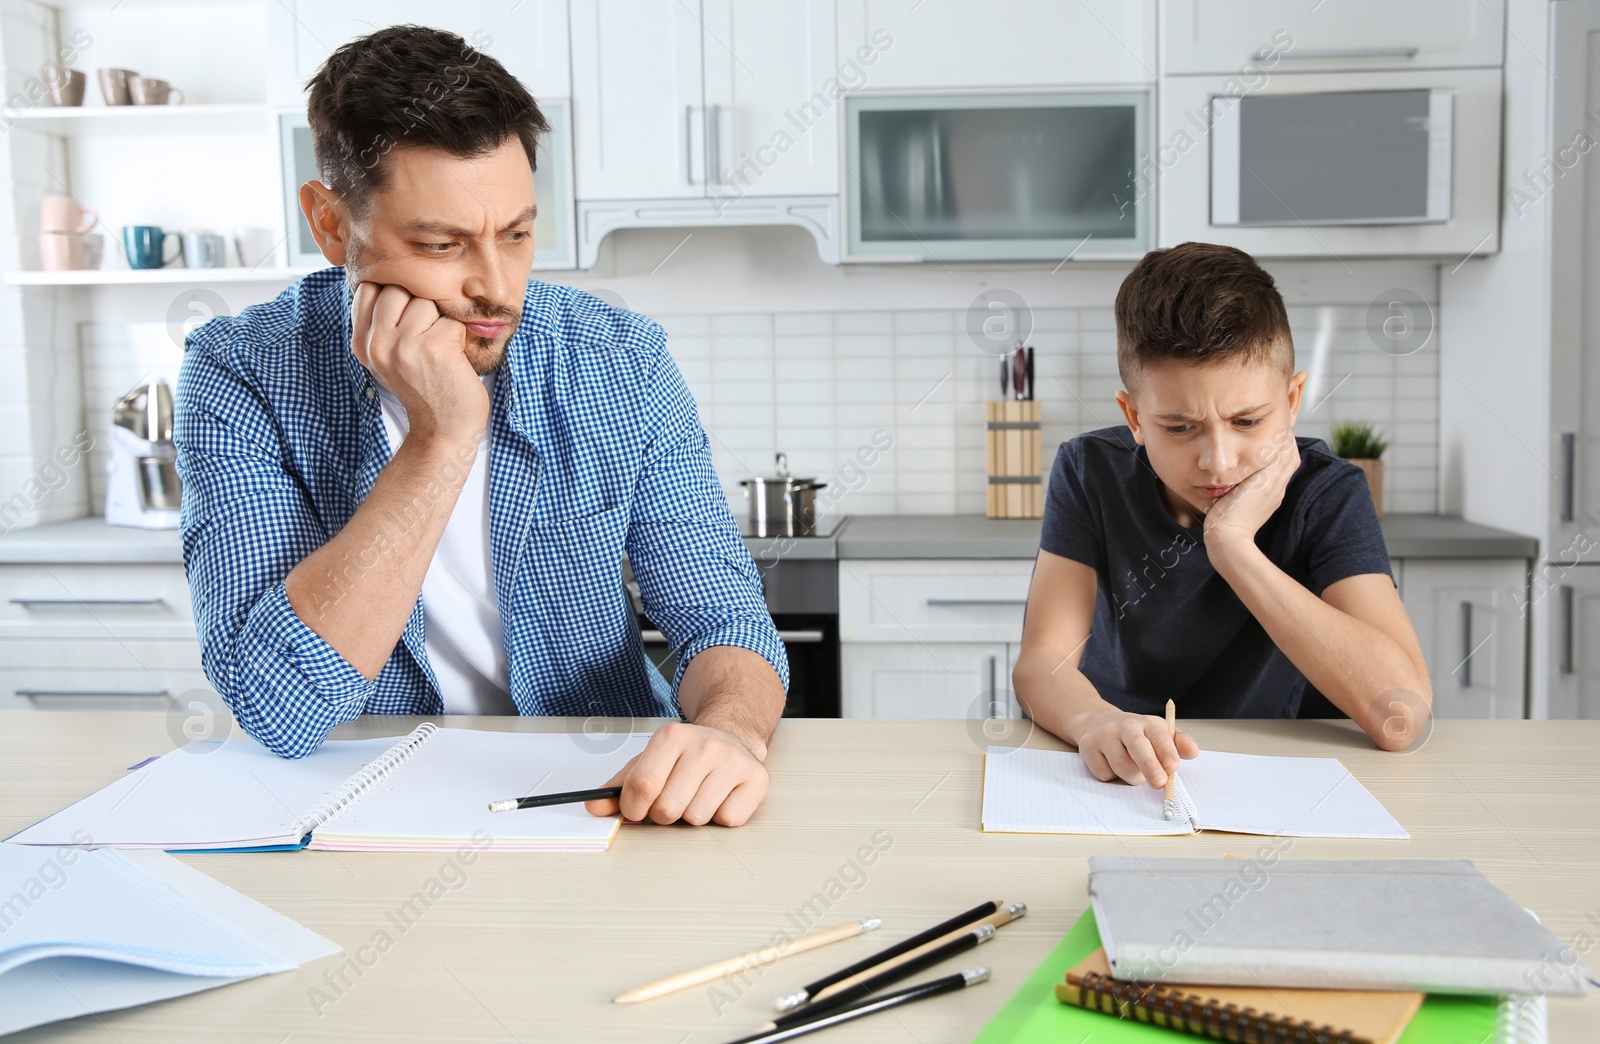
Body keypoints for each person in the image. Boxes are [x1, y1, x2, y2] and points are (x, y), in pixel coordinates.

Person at [174, 25, 787, 827]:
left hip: (597, 799)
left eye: (519, 234)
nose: (497, 289)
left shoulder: (618, 359)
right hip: (363, 808)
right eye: (441, 243)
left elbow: (723, 617)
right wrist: (442, 437)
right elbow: (279, 707)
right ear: (331, 225)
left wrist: (729, 734)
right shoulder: (241, 370)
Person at [1012, 242, 1432, 789]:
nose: (1218, 461)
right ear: (1133, 417)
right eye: (1180, 428)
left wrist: (1232, 545)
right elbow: (1042, 661)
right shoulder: (1089, 471)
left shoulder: (1328, 493)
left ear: (1293, 399)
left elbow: (1402, 719)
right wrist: (1096, 720)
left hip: (1273, 775)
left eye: (1248, 421)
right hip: (1120, 774)